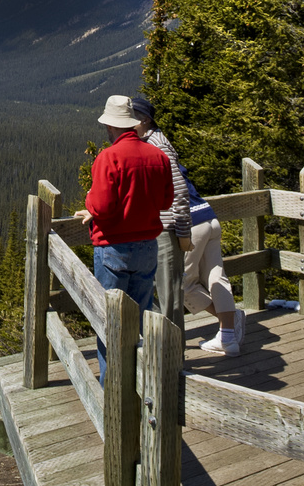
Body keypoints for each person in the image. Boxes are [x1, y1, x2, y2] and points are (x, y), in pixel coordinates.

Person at [75, 95, 174, 382]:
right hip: (147, 248)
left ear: (110, 126)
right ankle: (138, 384)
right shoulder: (159, 157)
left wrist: (90, 206)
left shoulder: (109, 157)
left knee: (111, 324)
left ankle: (113, 391)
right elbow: (166, 201)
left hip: (113, 248)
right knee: (140, 320)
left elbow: (103, 207)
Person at [133, 98, 193, 335]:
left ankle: (173, 360)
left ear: (145, 119)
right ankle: (161, 352)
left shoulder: (158, 145)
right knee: (157, 295)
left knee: (170, 299)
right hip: (155, 230)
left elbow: (180, 191)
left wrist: (183, 233)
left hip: (166, 231)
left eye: (133, 116)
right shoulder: (147, 142)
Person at [182, 170, 245, 356]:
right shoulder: (168, 153)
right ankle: (228, 338)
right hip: (208, 215)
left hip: (191, 223)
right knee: (216, 276)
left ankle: (230, 321)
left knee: (182, 284)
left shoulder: (150, 157)